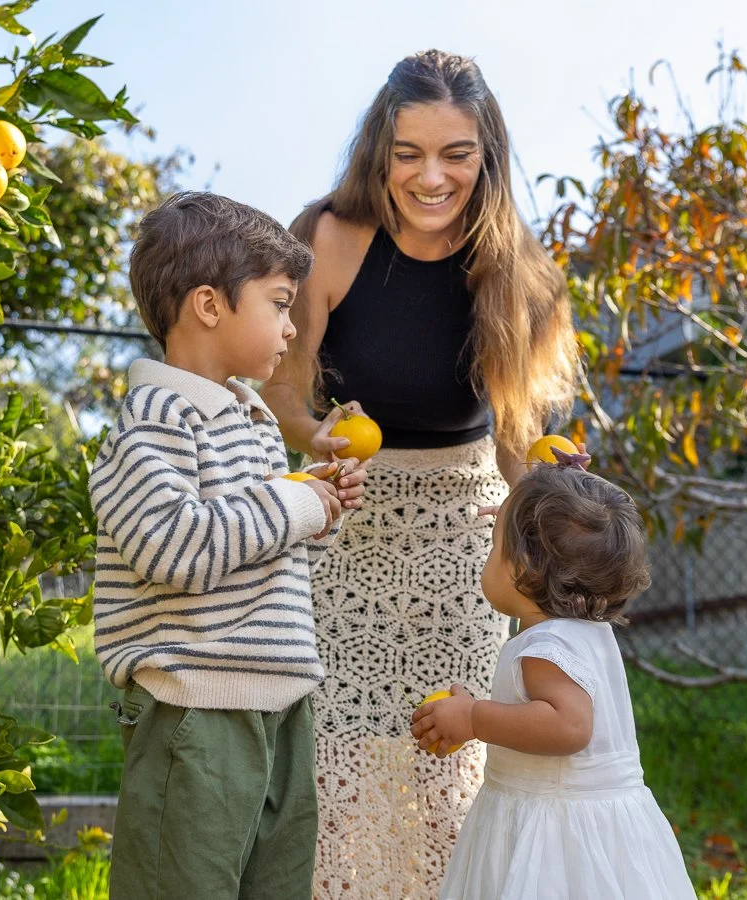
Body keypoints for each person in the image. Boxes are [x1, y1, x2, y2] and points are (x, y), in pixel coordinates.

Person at [260, 49, 580, 899]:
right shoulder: (329, 236)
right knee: (336, 756)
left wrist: (543, 481)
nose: (431, 177)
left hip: (462, 542)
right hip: (346, 516)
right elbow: (283, 386)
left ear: (487, 156)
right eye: (409, 153)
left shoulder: (510, 264)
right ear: (380, 151)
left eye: (456, 154)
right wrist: (314, 431)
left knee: (449, 765)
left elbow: (515, 432)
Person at [89, 191, 369, 899]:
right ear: (209, 306)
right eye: (279, 303)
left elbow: (257, 555)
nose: (291, 325)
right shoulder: (153, 419)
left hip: (281, 706)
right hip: (197, 715)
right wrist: (295, 502)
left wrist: (318, 512)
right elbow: (174, 548)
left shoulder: (251, 422)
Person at [411, 462, 694, 899]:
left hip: (554, 832)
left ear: (522, 567)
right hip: (583, 821)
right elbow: (543, 710)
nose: (489, 557)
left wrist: (474, 719)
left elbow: (569, 727)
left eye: (493, 547)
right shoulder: (581, 632)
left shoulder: (547, 645)